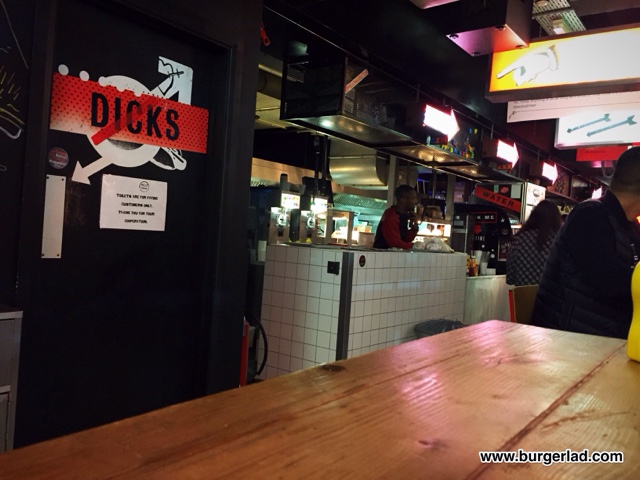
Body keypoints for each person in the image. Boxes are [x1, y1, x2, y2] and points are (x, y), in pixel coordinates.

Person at [531, 147, 640, 339]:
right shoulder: (590, 216)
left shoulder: (629, 227)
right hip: (564, 343)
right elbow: (613, 284)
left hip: (600, 341)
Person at [506, 200, 562, 286]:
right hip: (550, 292)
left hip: (523, 292)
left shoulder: (519, 240)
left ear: (533, 217)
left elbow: (510, 278)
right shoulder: (559, 241)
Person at [373, 184, 423, 250]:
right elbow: (395, 244)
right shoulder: (391, 216)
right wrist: (415, 246)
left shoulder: (402, 215)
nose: (416, 201)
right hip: (384, 254)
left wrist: (414, 227)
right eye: (413, 198)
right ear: (403, 200)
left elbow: (405, 240)